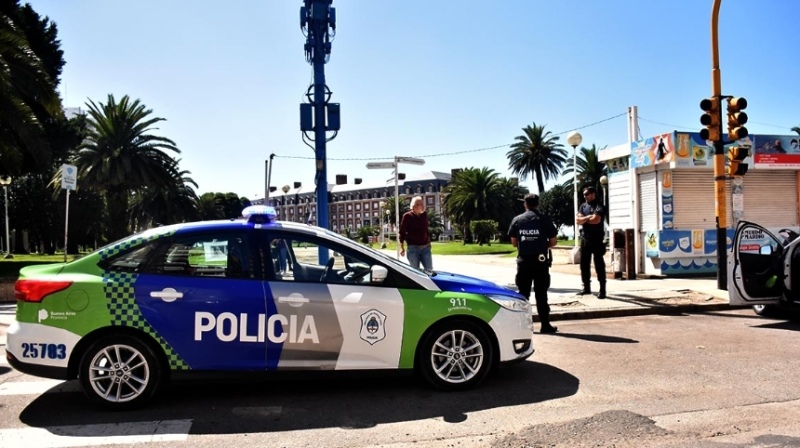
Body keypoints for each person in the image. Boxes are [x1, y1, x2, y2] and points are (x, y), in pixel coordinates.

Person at [509, 193, 559, 334]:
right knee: (541, 294)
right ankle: (545, 325)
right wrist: (543, 246)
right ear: (537, 204)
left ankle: (521, 327)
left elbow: (514, 243)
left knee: (523, 295)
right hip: (540, 261)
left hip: (524, 262)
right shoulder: (544, 219)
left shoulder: (517, 220)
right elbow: (554, 241)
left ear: (525, 204)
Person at [576, 186, 607, 298]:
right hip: (585, 239)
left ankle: (602, 289)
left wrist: (586, 219)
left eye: (587, 194)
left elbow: (596, 220)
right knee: (584, 265)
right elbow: (578, 220)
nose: (585, 196)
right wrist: (589, 217)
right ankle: (586, 288)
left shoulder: (599, 205)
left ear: (593, 194)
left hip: (597, 239)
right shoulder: (583, 206)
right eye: (584, 194)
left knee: (599, 265)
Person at [399, 195, 433, 271]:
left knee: (429, 270)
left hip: (425, 248)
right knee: (415, 272)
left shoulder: (424, 215)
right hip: (413, 249)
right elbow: (402, 232)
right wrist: (401, 247)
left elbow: (426, 229)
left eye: (422, 204)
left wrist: (429, 242)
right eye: (420, 204)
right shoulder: (407, 216)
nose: (423, 206)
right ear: (414, 206)